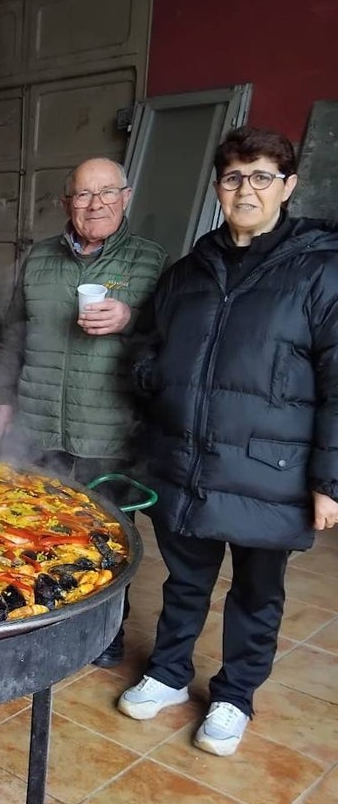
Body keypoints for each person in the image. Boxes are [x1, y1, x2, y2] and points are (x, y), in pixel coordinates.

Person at [117, 126, 338, 756]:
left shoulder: (321, 272)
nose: (246, 189)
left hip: (274, 467)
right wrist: (152, 376)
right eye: (234, 177)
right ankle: (167, 672)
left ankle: (235, 696)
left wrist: (329, 481)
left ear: (288, 186)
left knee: (256, 592)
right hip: (186, 458)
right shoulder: (189, 271)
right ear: (218, 187)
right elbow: (149, 344)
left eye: (262, 176)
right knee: (184, 579)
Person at [0, 157, 168, 667]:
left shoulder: (151, 261)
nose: (95, 205)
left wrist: (131, 319)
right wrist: (0, 398)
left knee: (109, 537)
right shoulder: (38, 259)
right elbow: (11, 336)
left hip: (109, 427)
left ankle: (106, 634)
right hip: (37, 424)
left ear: (126, 197)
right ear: (67, 203)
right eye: (84, 195)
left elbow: (171, 339)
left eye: (107, 193)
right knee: (33, 529)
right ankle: (40, 623)